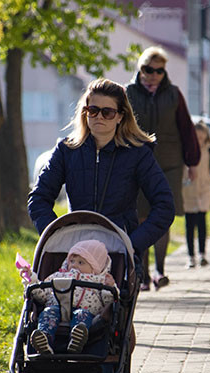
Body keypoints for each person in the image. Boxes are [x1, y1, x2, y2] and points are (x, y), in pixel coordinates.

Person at [28, 78, 175, 261]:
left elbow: (165, 206)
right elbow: (38, 198)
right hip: (74, 251)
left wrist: (132, 244)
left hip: (118, 254)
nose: (99, 117)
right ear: (85, 112)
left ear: (121, 116)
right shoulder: (66, 151)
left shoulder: (138, 154)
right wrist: (58, 237)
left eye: (108, 112)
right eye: (93, 110)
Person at [126, 46, 200, 290]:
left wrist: (193, 162)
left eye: (159, 70)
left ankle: (160, 271)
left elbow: (186, 129)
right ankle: (143, 275)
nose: (154, 74)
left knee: (163, 216)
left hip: (170, 163)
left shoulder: (174, 95)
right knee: (141, 218)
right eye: (149, 69)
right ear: (140, 68)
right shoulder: (127, 93)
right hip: (137, 163)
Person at [27, 240, 118, 354]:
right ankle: (44, 339)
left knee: (82, 316)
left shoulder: (100, 280)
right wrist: (31, 279)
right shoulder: (58, 275)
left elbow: (109, 302)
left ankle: (76, 339)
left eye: (81, 262)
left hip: (85, 311)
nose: (74, 265)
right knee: (48, 312)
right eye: (72, 261)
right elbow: (42, 295)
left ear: (95, 268)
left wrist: (110, 287)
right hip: (57, 308)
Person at [182, 121, 210, 268]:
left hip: (205, 190)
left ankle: (202, 254)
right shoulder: (185, 149)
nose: (199, 140)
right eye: (197, 137)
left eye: (202, 138)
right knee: (189, 223)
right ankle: (191, 256)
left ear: (206, 137)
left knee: (202, 221)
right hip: (188, 191)